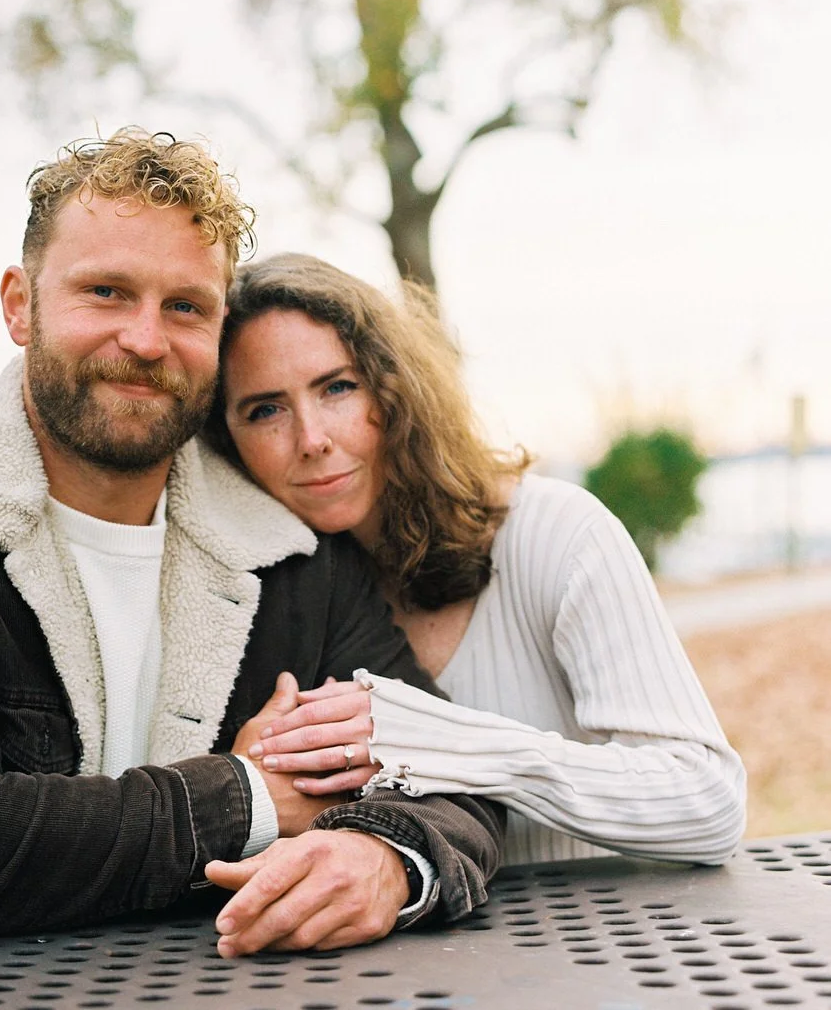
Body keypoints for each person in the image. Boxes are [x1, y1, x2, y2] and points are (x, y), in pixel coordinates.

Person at [0, 131, 504, 956]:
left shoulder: (291, 553)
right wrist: (247, 795)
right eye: (107, 292)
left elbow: (453, 768)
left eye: (185, 306)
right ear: (19, 304)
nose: (146, 340)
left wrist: (386, 857)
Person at [211, 252, 746, 867]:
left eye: (337, 387)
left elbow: (707, 803)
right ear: (228, 444)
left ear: (395, 386)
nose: (312, 439)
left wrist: (444, 744)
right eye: (265, 410)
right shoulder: (273, 592)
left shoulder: (558, 535)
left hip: (610, 941)